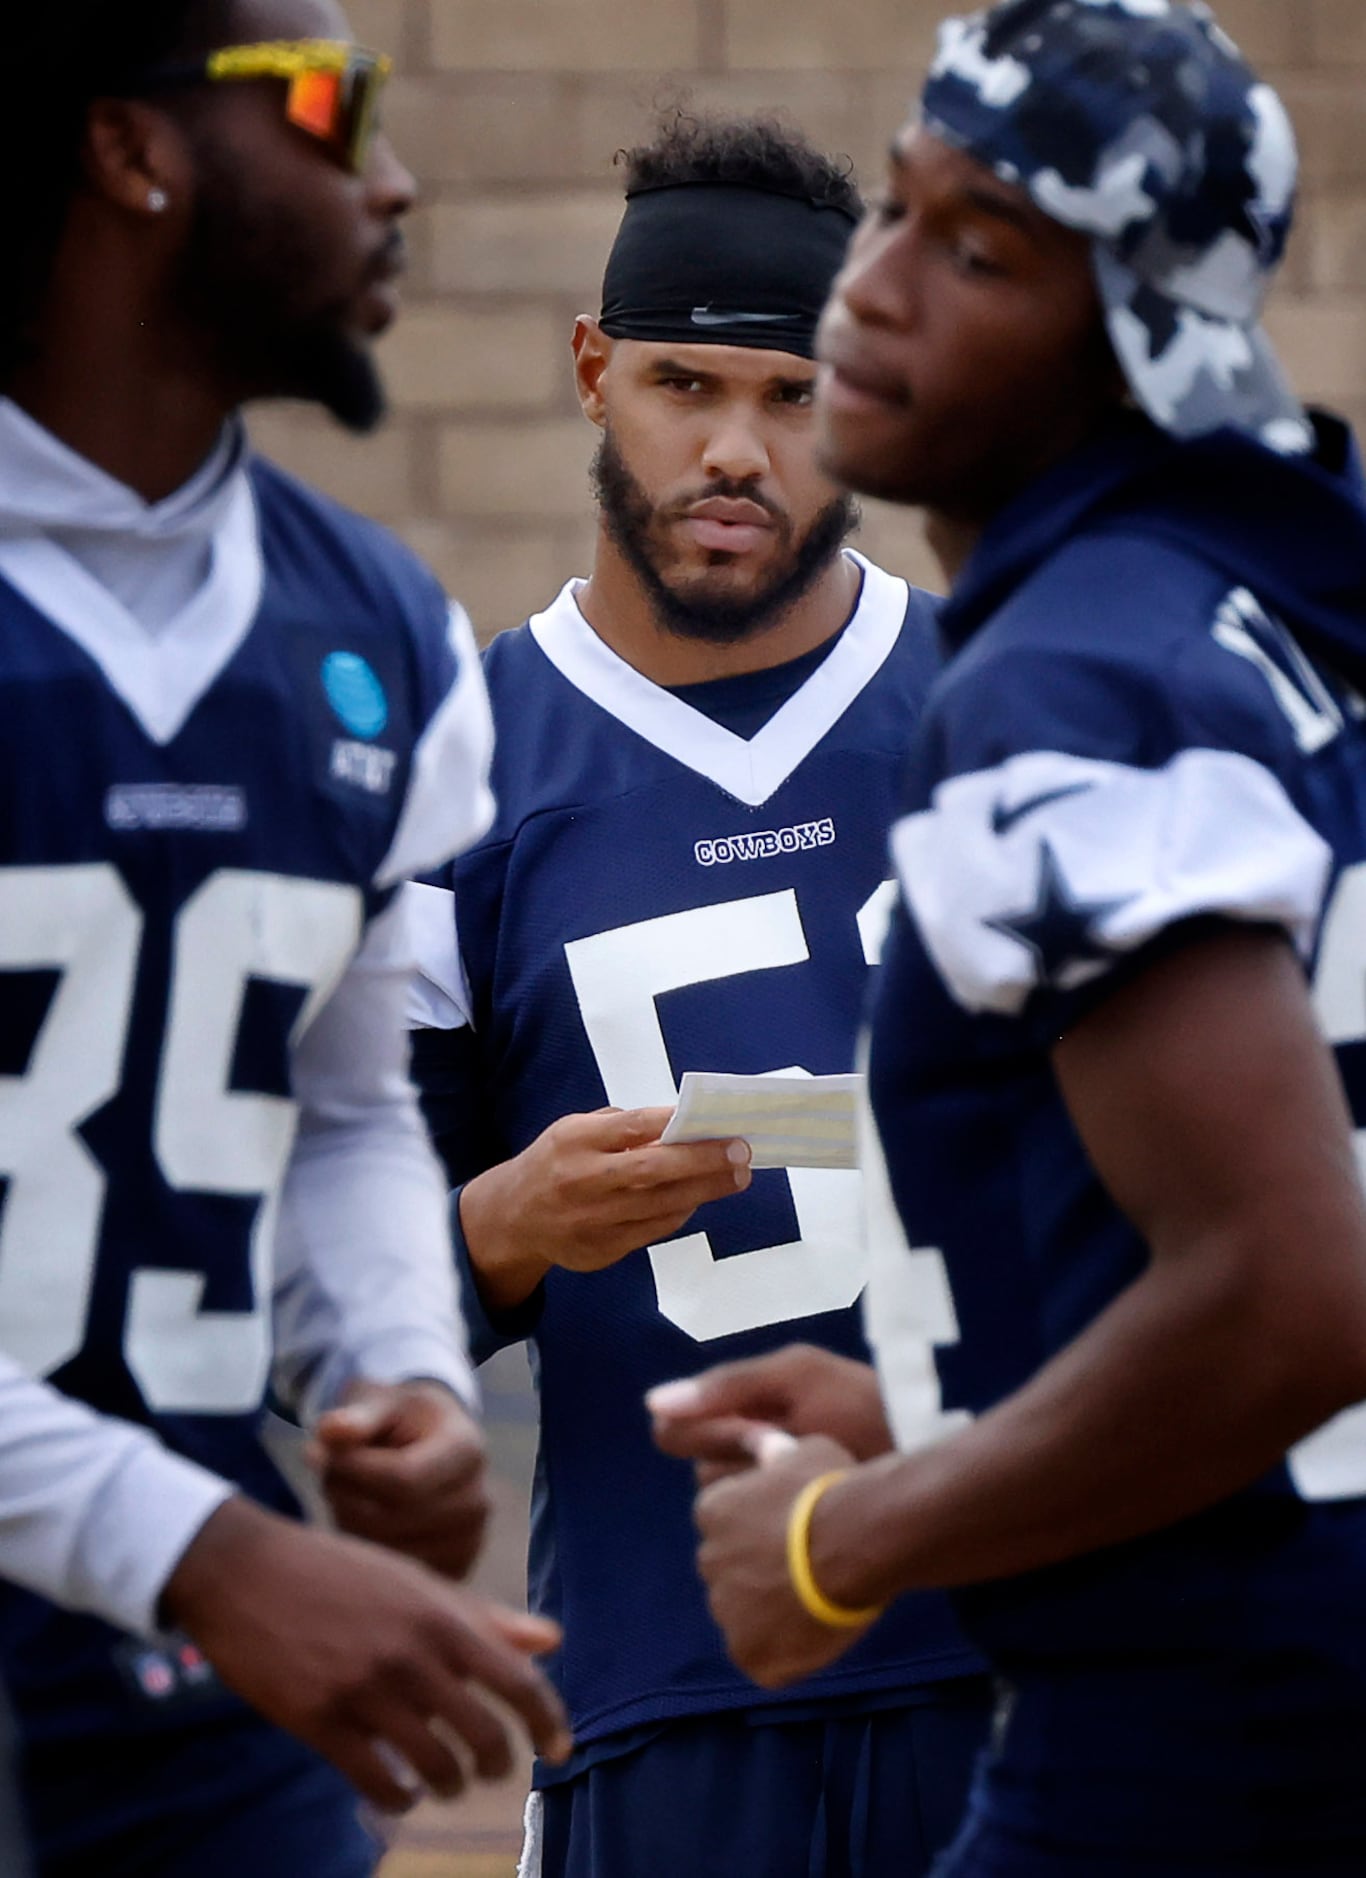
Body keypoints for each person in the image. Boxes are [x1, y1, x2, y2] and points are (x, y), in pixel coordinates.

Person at [651, 3, 1366, 1872]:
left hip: (1209, 1722)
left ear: (1130, 335)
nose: (872, 288)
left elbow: (1289, 1286)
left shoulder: (1064, 679)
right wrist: (935, 1402)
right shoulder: (1228, 616)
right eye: (892, 209)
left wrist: (845, 1540)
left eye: (978, 252)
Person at [0, 4, 571, 1875]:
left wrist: (398, 1365)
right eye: (336, 108)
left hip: (187, 1681)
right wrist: (209, 1545)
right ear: (131, 150)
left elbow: (338, 1105)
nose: (392, 181)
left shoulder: (382, 629)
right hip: (187, 1571)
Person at [407, 114, 994, 1878]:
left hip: (1020, 1658)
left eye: (792, 394)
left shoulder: (1002, 695)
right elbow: (326, 1329)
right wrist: (504, 1222)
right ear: (592, 370)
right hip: (660, 1694)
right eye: (680, 383)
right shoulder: (458, 774)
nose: (735, 450)